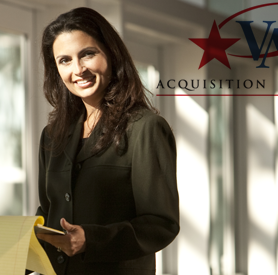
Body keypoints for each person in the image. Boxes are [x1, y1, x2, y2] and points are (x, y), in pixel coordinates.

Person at [34, 7, 179, 275]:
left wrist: (90, 239)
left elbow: (161, 224)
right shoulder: (52, 136)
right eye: (64, 60)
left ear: (111, 53)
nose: (78, 69)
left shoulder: (145, 129)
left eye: (87, 54)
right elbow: (49, 211)